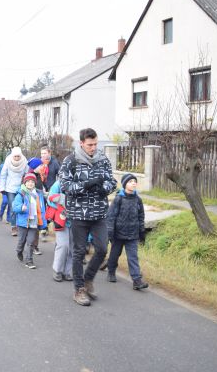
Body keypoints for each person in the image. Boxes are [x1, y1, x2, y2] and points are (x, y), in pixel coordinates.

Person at [59, 127, 117, 306]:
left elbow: (112, 181)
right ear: (81, 143)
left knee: (101, 249)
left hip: (99, 212)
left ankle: (88, 278)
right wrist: (86, 184)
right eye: (90, 144)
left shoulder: (103, 160)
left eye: (95, 144)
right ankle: (79, 290)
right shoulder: (71, 161)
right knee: (78, 251)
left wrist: (103, 188)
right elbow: (64, 186)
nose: (93, 147)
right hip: (78, 213)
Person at [106, 173, 149, 290]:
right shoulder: (118, 199)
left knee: (133, 257)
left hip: (133, 234)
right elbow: (111, 216)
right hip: (118, 234)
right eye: (130, 181)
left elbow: (141, 216)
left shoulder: (138, 200)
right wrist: (110, 232)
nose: (133, 183)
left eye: (135, 181)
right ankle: (111, 271)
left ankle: (137, 280)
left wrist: (142, 232)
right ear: (125, 184)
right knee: (115, 255)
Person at [12, 173, 47, 269]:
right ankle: (19, 250)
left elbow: (42, 208)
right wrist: (21, 207)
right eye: (28, 182)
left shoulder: (38, 194)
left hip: (34, 221)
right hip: (23, 222)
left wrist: (44, 220)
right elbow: (15, 207)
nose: (30, 183)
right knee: (21, 241)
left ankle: (29, 261)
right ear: (25, 183)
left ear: (35, 183)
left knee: (31, 242)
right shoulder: (21, 193)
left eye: (32, 182)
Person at [0, 147, 29, 237]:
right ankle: (13, 227)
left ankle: (20, 225)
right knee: (12, 207)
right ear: (12, 155)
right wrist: (2, 188)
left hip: (21, 188)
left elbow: (27, 174)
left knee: (21, 207)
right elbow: (3, 175)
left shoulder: (24, 162)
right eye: (15, 156)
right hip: (10, 188)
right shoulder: (8, 161)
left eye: (18, 156)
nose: (16, 158)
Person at [48, 180, 73, 282]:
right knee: (63, 245)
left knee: (73, 247)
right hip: (61, 219)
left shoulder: (83, 181)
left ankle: (67, 271)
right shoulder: (59, 183)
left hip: (77, 221)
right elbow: (50, 200)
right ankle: (57, 270)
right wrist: (61, 209)